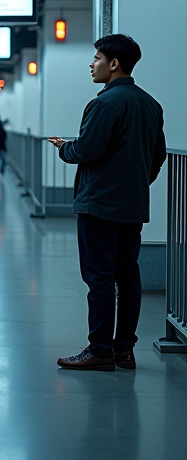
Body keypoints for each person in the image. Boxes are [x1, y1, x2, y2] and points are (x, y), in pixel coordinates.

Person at [50, 34, 165, 371]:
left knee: (99, 277)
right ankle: (123, 350)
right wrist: (137, 182)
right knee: (128, 276)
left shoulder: (104, 103)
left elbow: (87, 149)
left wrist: (64, 148)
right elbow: (157, 155)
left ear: (114, 64)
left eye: (97, 57)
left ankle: (99, 349)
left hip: (98, 204)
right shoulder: (151, 104)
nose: (92, 63)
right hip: (132, 205)